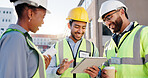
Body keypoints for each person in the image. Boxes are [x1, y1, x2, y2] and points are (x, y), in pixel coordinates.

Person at [0, 0, 52, 78]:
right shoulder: (15, 39)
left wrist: (39, 68)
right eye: (43, 16)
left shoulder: (22, 38)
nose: (43, 22)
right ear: (30, 13)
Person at [98, 0, 148, 78]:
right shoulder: (108, 45)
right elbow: (104, 69)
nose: (107, 23)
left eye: (109, 18)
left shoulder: (144, 33)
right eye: (104, 21)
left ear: (121, 12)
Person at [46, 7, 99, 78]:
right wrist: (58, 71)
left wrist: (96, 75)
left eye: (83, 28)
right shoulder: (57, 47)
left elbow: (98, 72)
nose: (80, 31)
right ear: (69, 26)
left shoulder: (92, 47)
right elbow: (46, 72)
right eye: (77, 27)